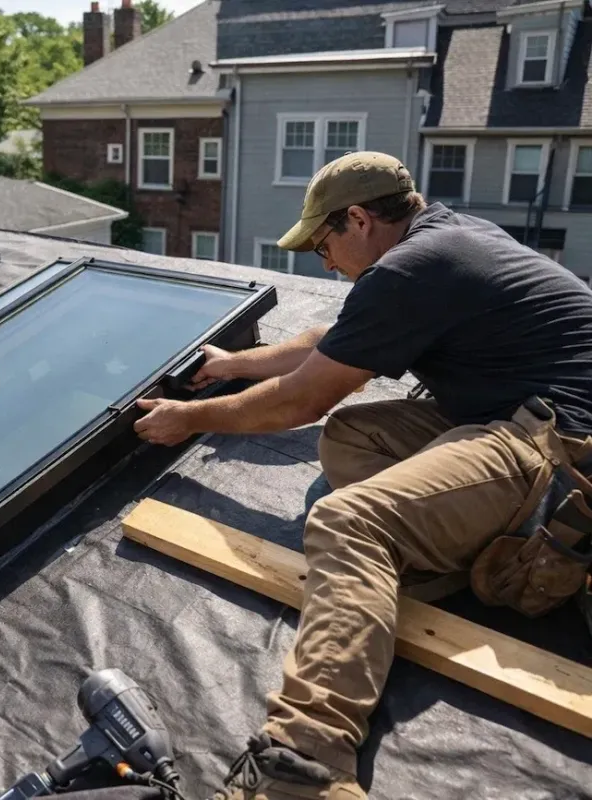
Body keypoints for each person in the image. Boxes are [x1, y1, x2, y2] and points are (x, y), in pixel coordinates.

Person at [132, 151, 592, 800]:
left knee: (348, 520)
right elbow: (332, 336)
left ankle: (304, 764)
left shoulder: (411, 269)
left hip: (564, 452)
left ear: (357, 220)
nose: (323, 263)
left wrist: (189, 418)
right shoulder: (449, 240)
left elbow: (302, 402)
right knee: (353, 438)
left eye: (324, 244)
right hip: (518, 415)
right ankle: (457, 544)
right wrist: (235, 367)